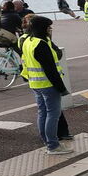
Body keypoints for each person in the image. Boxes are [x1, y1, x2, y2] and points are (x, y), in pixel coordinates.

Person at [20, 16, 73, 155]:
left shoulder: (27, 41)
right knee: (53, 114)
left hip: (35, 83)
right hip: (48, 85)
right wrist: (61, 88)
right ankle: (53, 145)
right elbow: (51, 70)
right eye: (49, 27)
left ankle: (47, 141)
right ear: (43, 28)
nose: (50, 30)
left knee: (42, 112)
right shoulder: (41, 44)